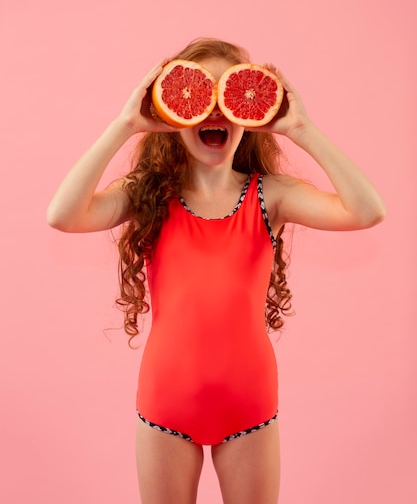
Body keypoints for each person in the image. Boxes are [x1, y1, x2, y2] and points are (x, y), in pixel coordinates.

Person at [47, 37, 386, 504]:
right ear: (175, 116)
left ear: (249, 116)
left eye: (228, 96)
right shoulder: (149, 194)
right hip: (166, 404)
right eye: (197, 96)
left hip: (250, 408)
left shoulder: (272, 195)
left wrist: (302, 129)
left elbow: (367, 210)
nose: (214, 112)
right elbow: (62, 215)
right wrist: (125, 125)